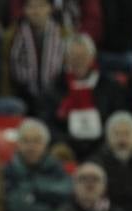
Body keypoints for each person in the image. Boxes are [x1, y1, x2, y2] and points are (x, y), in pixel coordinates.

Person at [2, 118, 72, 211]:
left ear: (45, 144)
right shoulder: (7, 171)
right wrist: (49, 203)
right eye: (26, 141)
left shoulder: (56, 168)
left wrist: (34, 191)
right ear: (18, 144)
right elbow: (16, 209)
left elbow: (66, 194)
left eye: (36, 141)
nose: (31, 146)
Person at [50, 32, 123, 160]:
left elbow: (118, 117)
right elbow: (48, 120)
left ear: (92, 57)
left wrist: (105, 142)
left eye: (83, 56)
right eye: (74, 57)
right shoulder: (56, 86)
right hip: (67, 146)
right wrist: (65, 142)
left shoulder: (109, 85)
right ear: (66, 59)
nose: (78, 61)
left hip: (103, 145)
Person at [0, 0, 66, 121]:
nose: (36, 11)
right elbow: (6, 69)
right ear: (24, 10)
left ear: (50, 8)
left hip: (55, 91)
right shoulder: (12, 35)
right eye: (31, 7)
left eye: (41, 6)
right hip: (21, 92)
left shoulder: (63, 34)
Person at [88, 111, 132, 211]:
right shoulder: (95, 165)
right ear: (107, 137)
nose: (122, 139)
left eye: (127, 134)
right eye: (117, 134)